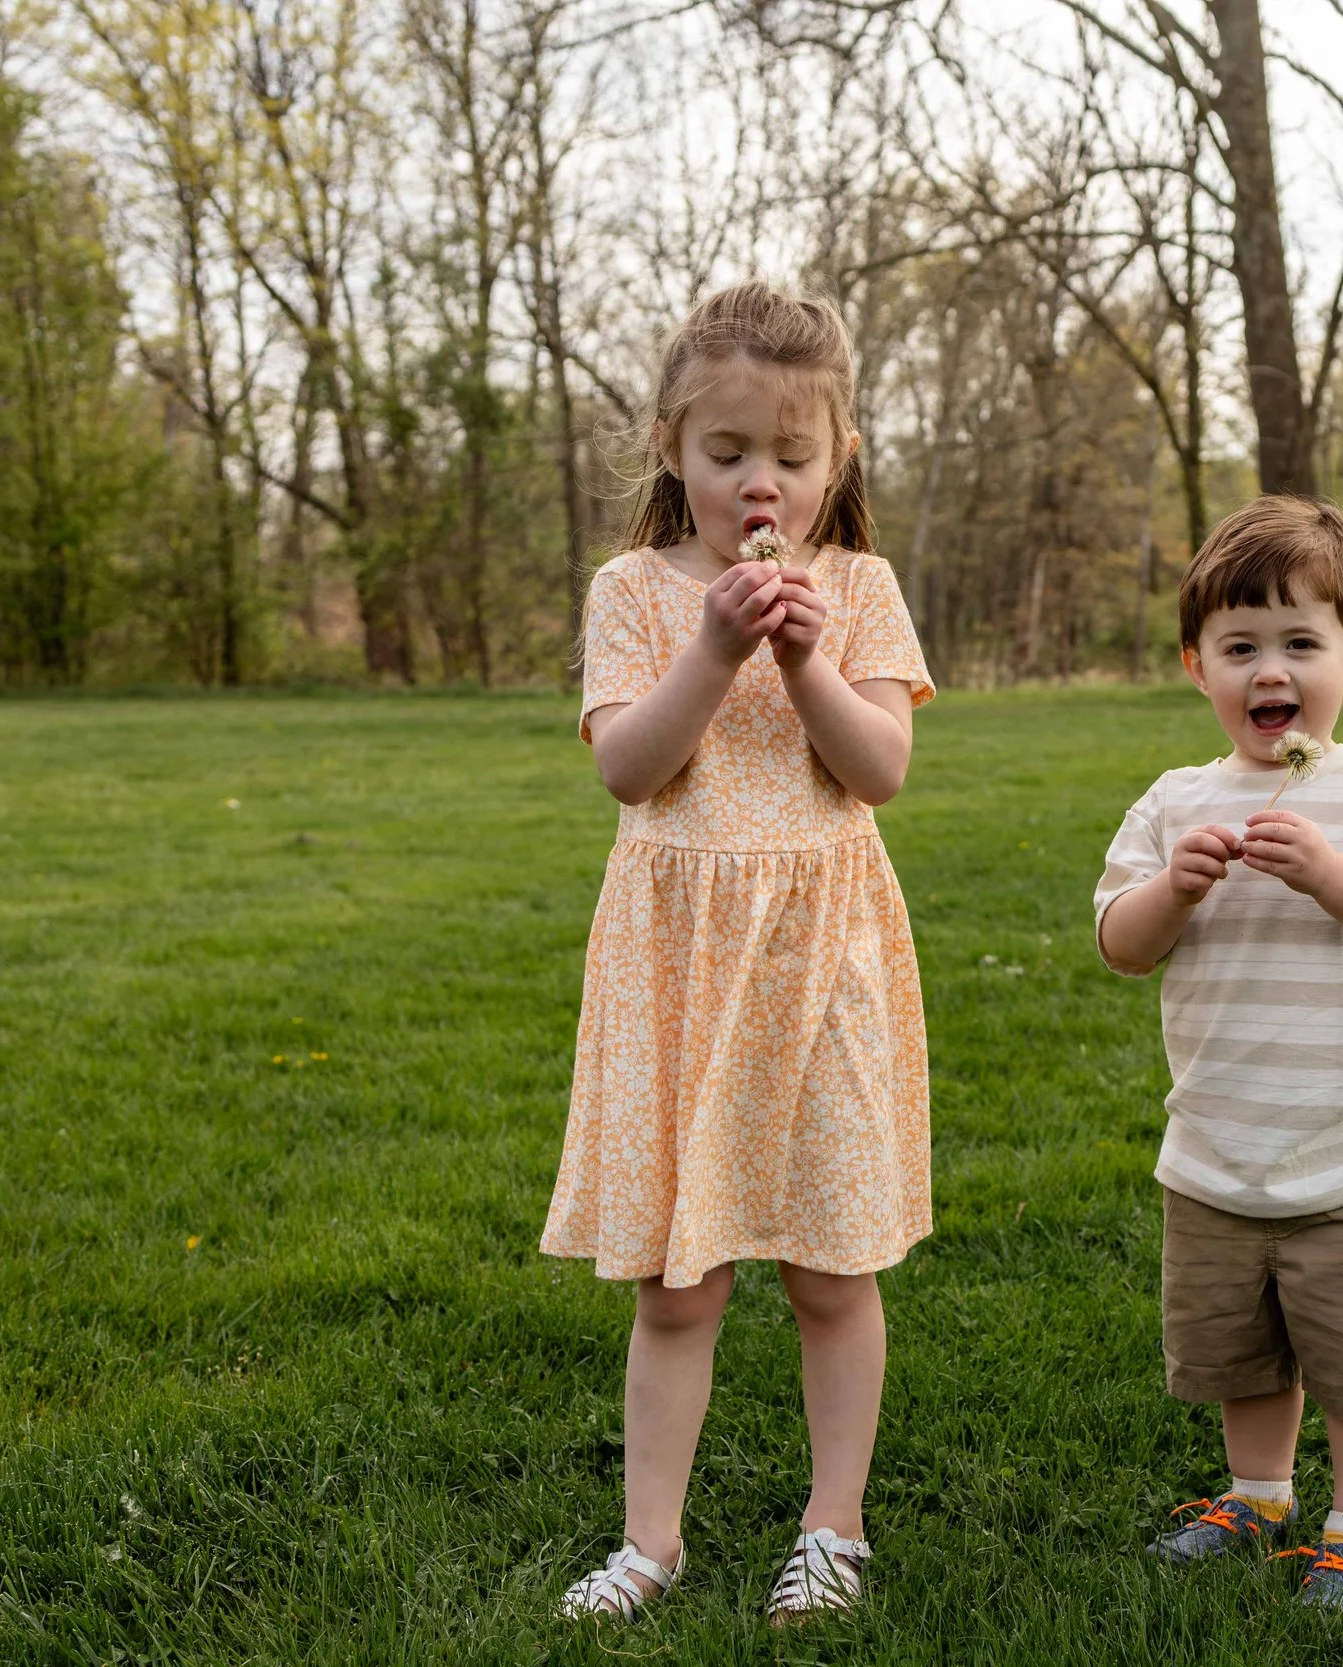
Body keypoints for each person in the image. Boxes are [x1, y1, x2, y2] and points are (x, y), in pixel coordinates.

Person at [545, 281, 933, 1625]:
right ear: (671, 446)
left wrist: (811, 663)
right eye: (727, 453)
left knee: (833, 1270)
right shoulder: (634, 592)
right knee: (678, 1283)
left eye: (791, 455)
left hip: (821, 960)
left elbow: (877, 768)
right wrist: (716, 649)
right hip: (680, 966)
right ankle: (653, 1539)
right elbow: (632, 770)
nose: (759, 481)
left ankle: (835, 1525)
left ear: (839, 462)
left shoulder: (861, 589)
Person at [1093, 495, 1343, 1616]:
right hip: (1215, 1146)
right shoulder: (1176, 803)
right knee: (1241, 1349)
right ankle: (1257, 1492)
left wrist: (1330, 875)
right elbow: (1121, 942)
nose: (1272, 668)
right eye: (1240, 645)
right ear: (1196, 665)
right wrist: (1174, 886)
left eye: (1300, 641)